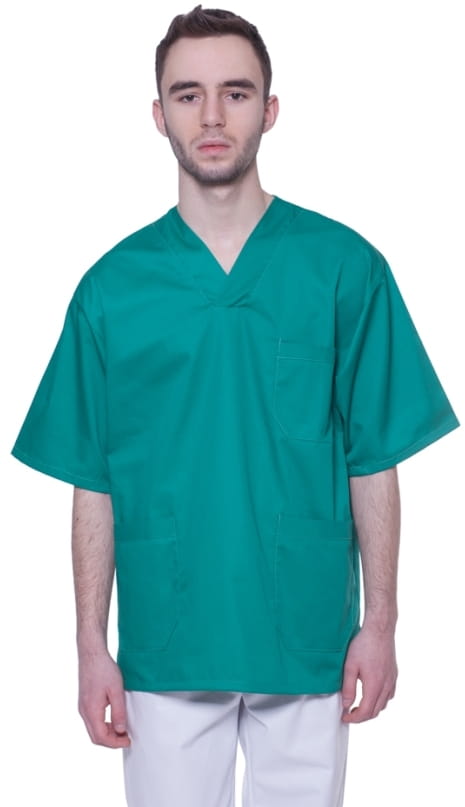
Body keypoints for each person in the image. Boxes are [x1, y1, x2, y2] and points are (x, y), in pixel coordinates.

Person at [11, 5, 460, 807]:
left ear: (270, 109)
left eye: (236, 93)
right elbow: (92, 476)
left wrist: (380, 621)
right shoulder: (112, 289)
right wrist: (89, 645)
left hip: (308, 635)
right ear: (158, 115)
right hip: (166, 642)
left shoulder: (342, 267)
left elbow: (372, 457)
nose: (212, 116)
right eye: (187, 95)